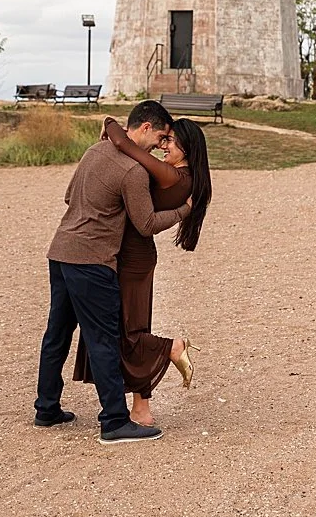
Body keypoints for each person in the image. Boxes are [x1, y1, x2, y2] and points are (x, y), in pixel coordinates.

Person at [33, 100, 190, 442]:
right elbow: (146, 223)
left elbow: (68, 196)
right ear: (145, 127)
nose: (162, 146)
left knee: (56, 334)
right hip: (92, 261)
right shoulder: (133, 171)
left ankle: (46, 409)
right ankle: (115, 421)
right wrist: (183, 210)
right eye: (161, 137)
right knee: (103, 338)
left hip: (60, 252)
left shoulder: (95, 150)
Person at [75, 116, 213, 425]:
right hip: (133, 257)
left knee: (128, 333)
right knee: (133, 328)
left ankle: (173, 348)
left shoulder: (173, 176)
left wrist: (111, 123)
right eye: (164, 140)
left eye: (170, 141)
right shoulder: (181, 176)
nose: (164, 146)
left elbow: (125, 145)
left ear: (186, 147)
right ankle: (141, 409)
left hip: (132, 260)